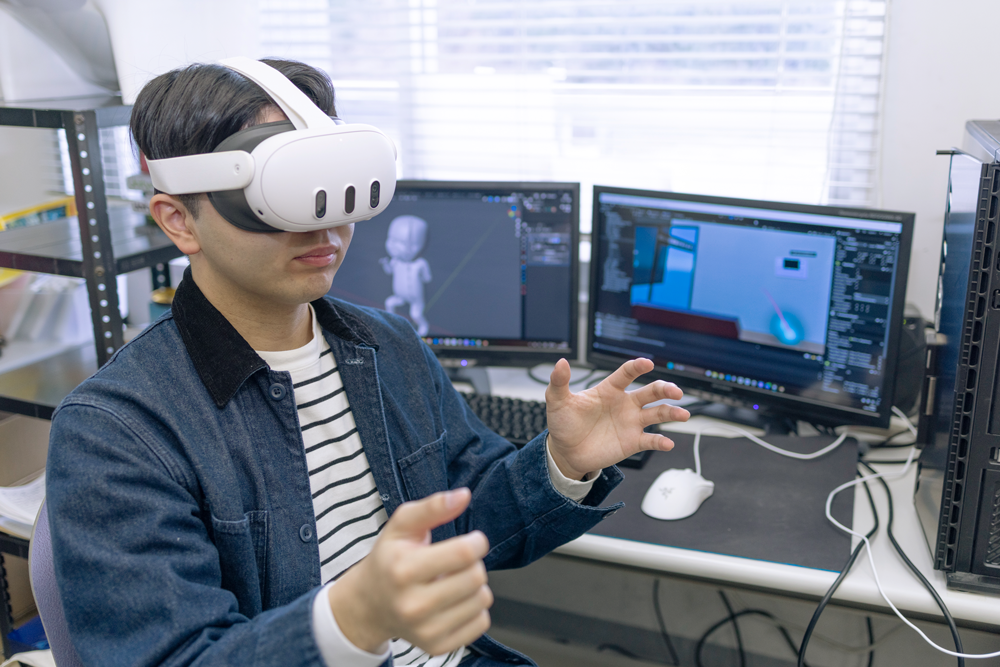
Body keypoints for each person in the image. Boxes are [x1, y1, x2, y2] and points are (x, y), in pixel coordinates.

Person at [45, 58, 690, 667]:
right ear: (179, 221)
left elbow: (467, 523)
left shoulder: (388, 346)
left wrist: (562, 463)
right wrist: (349, 621)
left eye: (335, 190)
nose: (323, 226)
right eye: (281, 196)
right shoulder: (117, 431)